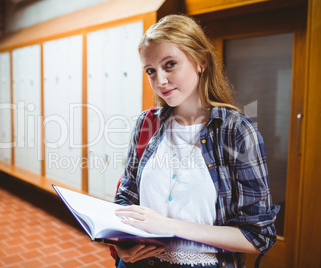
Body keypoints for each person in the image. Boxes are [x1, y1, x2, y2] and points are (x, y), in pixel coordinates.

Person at [113, 14, 279, 268]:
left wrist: (168, 227)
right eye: (151, 71)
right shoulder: (146, 124)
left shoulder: (236, 131)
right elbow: (126, 196)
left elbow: (258, 236)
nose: (160, 81)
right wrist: (120, 242)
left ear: (200, 61)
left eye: (170, 65)